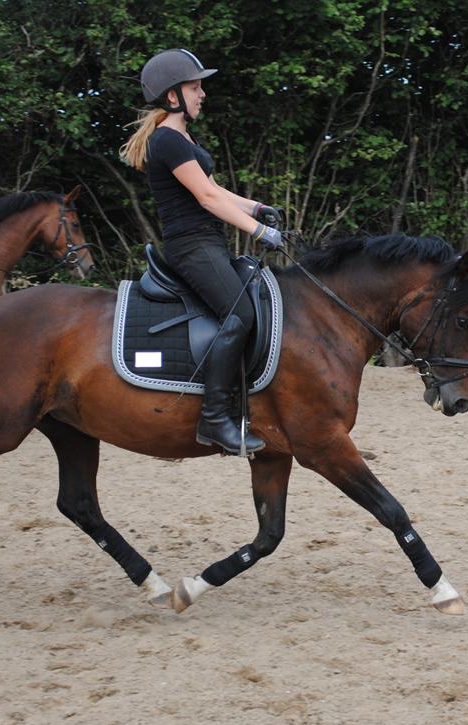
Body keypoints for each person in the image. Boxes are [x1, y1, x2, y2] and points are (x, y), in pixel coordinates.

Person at [119, 48, 284, 456]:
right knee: (240, 314)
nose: (202, 94)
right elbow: (207, 197)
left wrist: (257, 208)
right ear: (173, 96)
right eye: (195, 87)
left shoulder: (183, 139)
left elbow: (217, 190)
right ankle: (214, 420)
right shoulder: (168, 141)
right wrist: (259, 231)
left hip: (206, 242)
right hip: (191, 246)